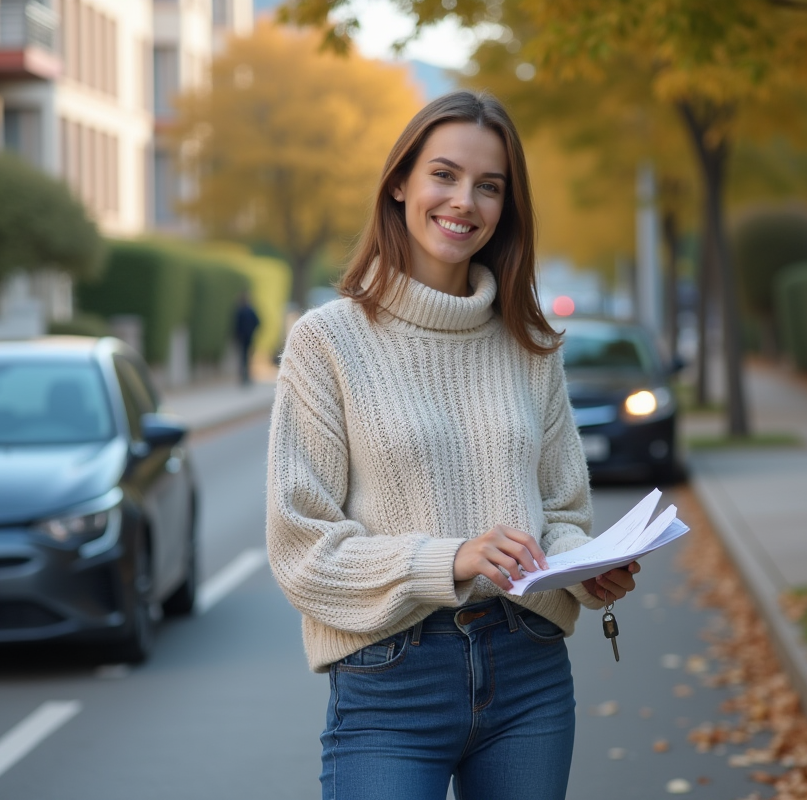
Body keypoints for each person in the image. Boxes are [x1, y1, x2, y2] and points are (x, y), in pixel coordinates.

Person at [265, 90, 642, 800]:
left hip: (527, 671)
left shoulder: (533, 344)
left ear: (506, 206)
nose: (464, 200)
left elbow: (561, 511)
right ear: (400, 183)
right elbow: (302, 551)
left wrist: (582, 568)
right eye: (444, 174)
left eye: (489, 185)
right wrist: (454, 556)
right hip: (389, 684)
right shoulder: (327, 342)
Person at [232, 291, 260, 385]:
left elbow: (235, 325)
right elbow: (257, 322)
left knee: (242, 357)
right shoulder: (249, 310)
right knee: (246, 356)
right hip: (248, 337)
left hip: (242, 337)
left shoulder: (240, 310)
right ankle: (246, 375)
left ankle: (244, 375)